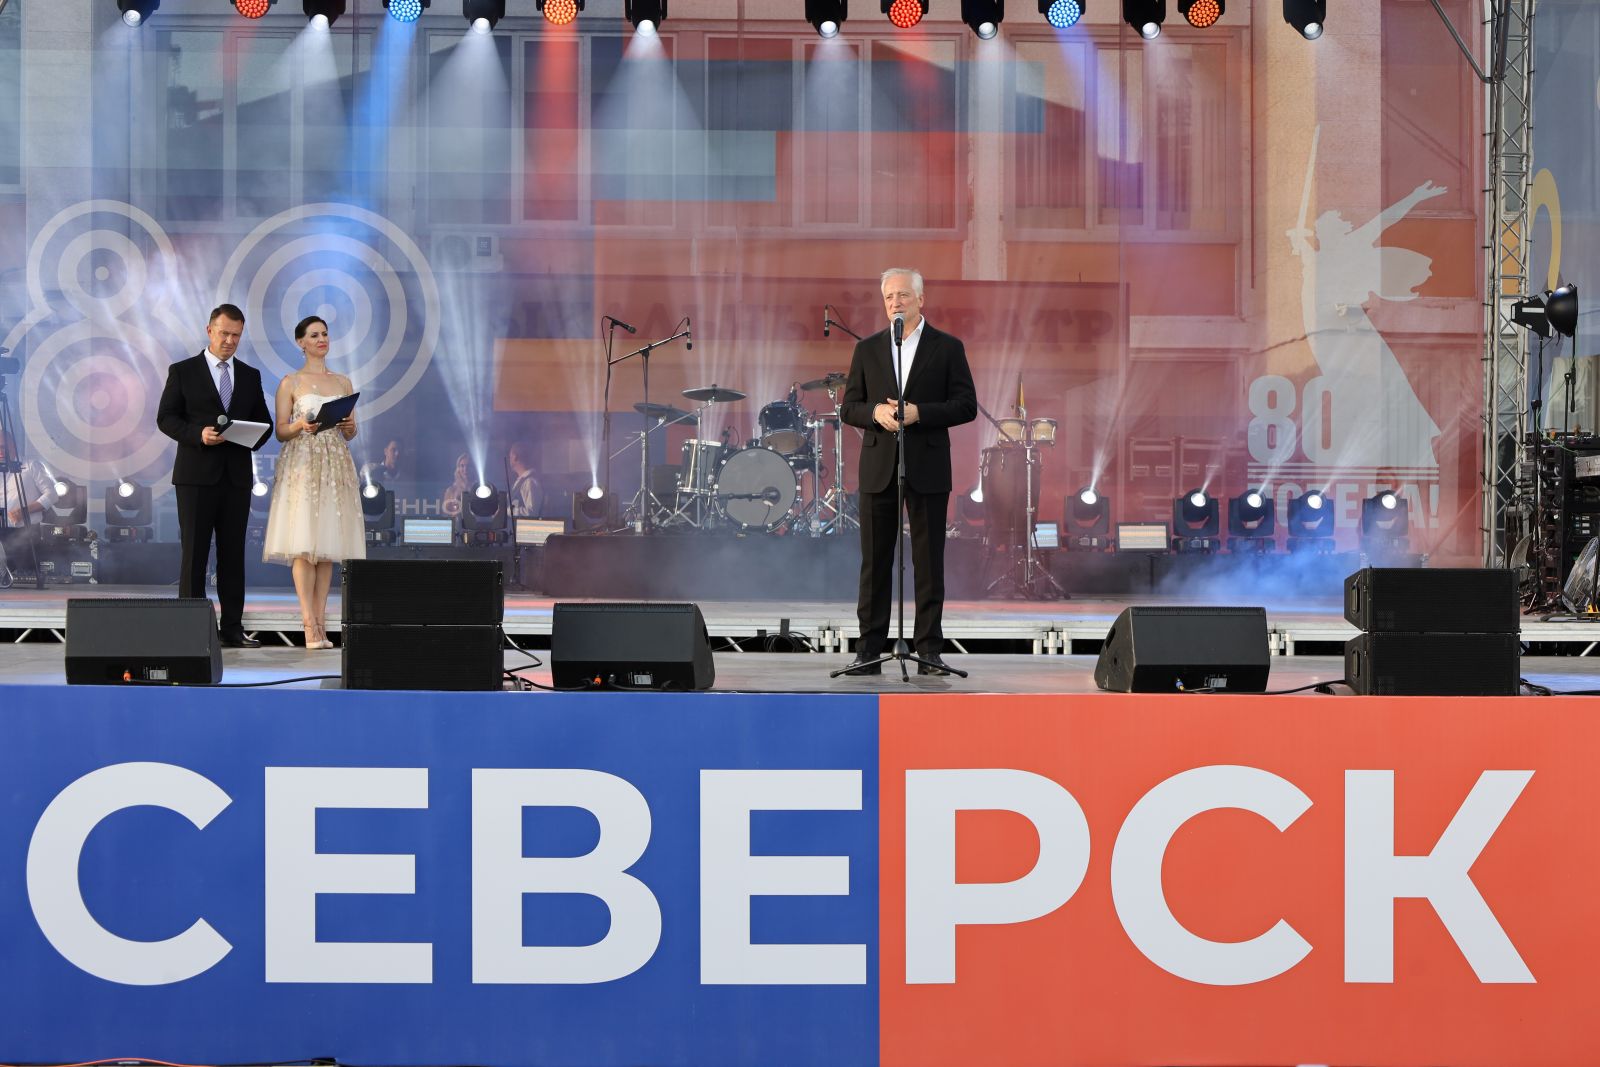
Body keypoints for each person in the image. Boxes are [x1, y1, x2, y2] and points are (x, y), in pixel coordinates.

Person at [838, 268, 976, 675]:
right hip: (879, 467)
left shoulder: (947, 348)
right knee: (875, 563)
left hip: (928, 466)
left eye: (902, 295)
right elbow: (849, 407)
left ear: (920, 299)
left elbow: (966, 405)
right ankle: (868, 651)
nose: (895, 302)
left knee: (929, 563)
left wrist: (921, 413)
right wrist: (875, 413)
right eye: (888, 297)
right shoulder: (867, 349)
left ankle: (929, 651)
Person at [157, 303, 273, 648]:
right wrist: (198, 434)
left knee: (233, 555)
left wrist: (250, 435)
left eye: (236, 335)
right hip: (195, 476)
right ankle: (191, 632)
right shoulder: (183, 371)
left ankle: (232, 628)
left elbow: (264, 425)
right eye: (224, 333)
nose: (229, 341)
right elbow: (166, 418)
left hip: (236, 478)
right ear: (209, 330)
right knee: (194, 554)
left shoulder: (250, 375)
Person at [262, 315, 365, 649]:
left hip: (334, 464)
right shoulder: (290, 382)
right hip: (304, 463)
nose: (321, 339)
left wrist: (349, 426)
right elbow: (281, 431)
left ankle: (321, 624)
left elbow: (350, 432)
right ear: (301, 342)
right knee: (304, 545)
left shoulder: (343, 382)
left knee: (326, 547)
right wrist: (300, 426)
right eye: (314, 335)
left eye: (325, 334)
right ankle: (308, 624)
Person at [508, 440, 544, 518]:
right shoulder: (521, 481)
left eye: (510, 456)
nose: (509, 460)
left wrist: (506, 511)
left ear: (515, 457)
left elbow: (532, 512)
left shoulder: (530, 482)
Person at [442, 452, 472, 517]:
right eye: (462, 466)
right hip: (457, 522)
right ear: (458, 468)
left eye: (468, 466)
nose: (465, 469)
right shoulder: (451, 491)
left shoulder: (480, 490)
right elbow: (445, 516)